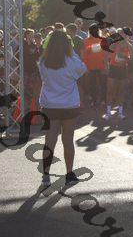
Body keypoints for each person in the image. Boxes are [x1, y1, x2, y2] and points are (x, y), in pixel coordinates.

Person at [38, 30, 87, 186]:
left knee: (49, 140)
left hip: (49, 104)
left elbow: (43, 79)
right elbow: (83, 69)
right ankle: (69, 173)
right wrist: (72, 52)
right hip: (69, 104)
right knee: (68, 140)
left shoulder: (43, 62)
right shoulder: (72, 60)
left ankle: (46, 176)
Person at [105, 29, 133, 120]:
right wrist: (106, 67)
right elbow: (106, 56)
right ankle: (108, 112)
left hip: (123, 69)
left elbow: (132, 59)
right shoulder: (113, 44)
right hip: (113, 68)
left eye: (123, 34)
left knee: (121, 91)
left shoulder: (129, 45)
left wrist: (125, 57)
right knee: (110, 90)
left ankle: (120, 112)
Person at [82, 23, 107, 110]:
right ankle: (94, 100)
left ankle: (103, 100)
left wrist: (105, 66)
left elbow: (106, 54)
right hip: (90, 67)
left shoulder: (102, 39)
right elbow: (84, 55)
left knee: (103, 84)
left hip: (101, 66)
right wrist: (86, 67)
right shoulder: (85, 41)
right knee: (92, 85)